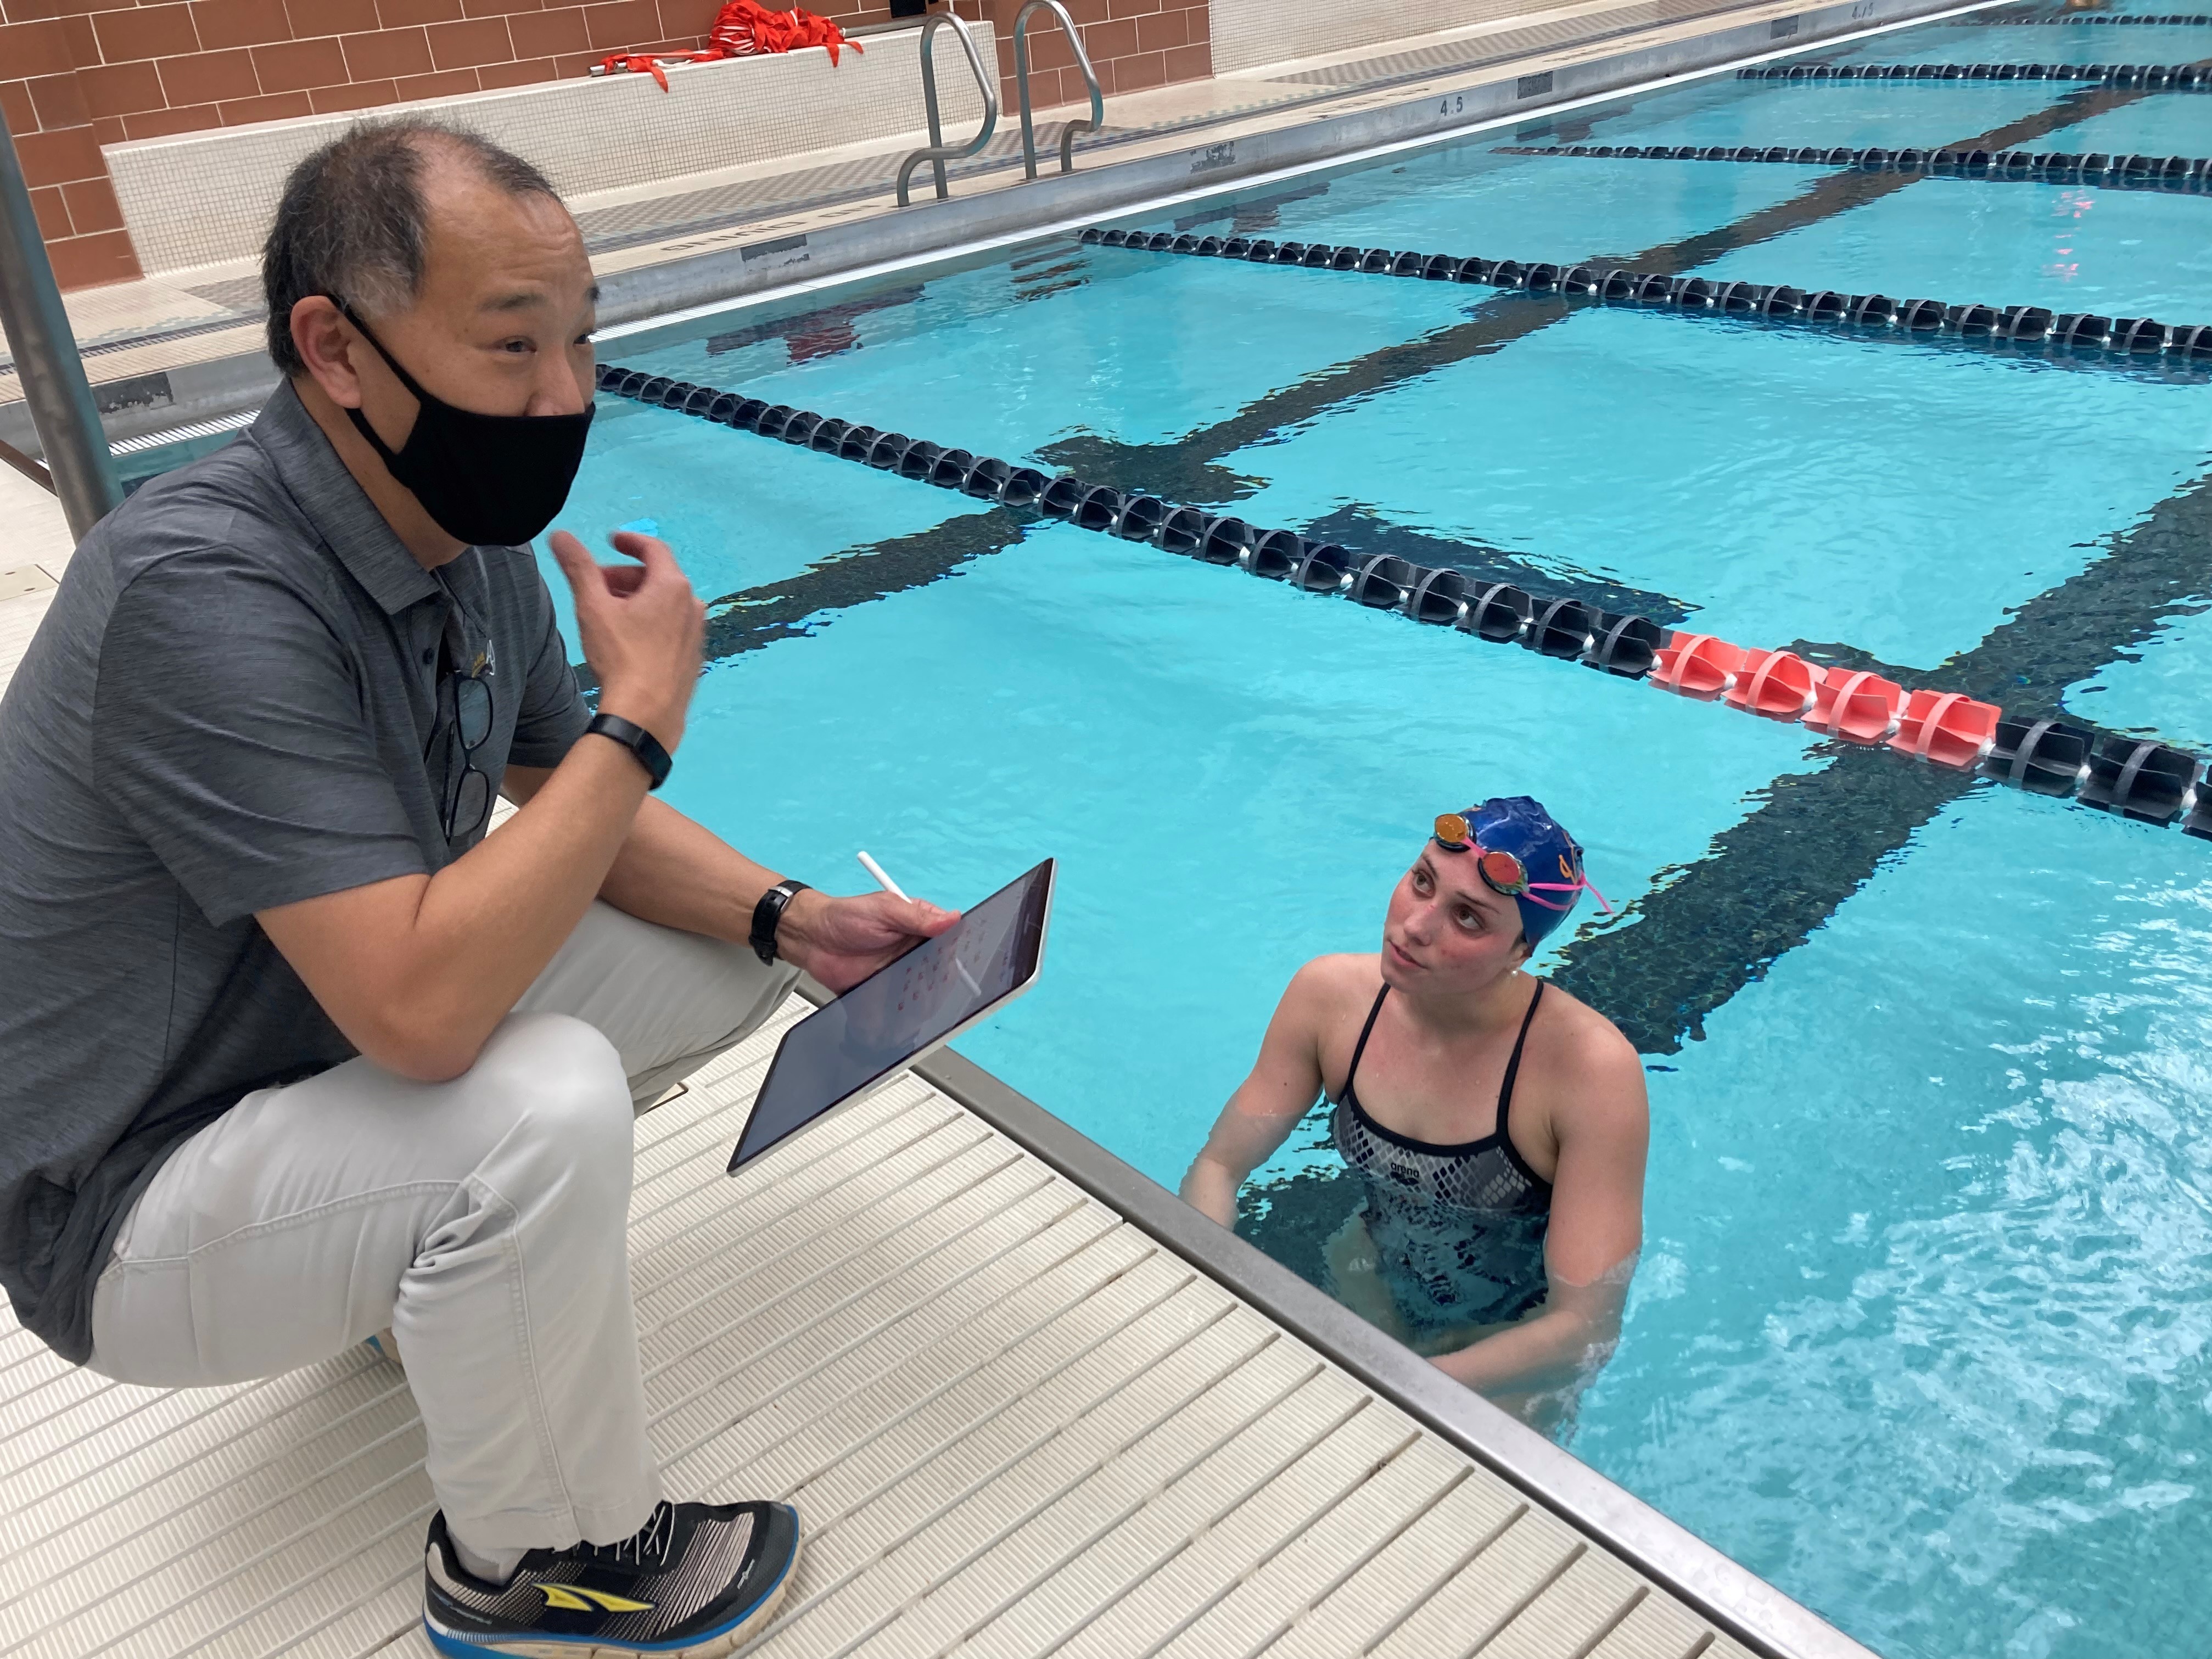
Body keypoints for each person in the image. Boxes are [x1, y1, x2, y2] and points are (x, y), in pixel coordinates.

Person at [0, 119, 957, 1659]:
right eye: (511, 346)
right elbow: (430, 1013)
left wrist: (792, 916)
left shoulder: (453, 533)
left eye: (579, 340)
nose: (564, 395)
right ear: (337, 350)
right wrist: (644, 720)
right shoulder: (202, 595)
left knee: (715, 959)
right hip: (121, 1201)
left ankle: (409, 1279)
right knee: (540, 1091)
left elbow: (561, 801)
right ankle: (542, 1564)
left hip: (303, 1051)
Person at [1180, 799, 1648, 1427]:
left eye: (1468, 919)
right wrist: (1207, 1288)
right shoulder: (1329, 999)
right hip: (1366, 1277)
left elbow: (1582, 1328)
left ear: (1520, 952)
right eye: (1422, 881)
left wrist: (1400, 1385)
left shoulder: (1590, 1074)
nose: (1415, 926)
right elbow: (1218, 1163)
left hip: (1510, 1344)